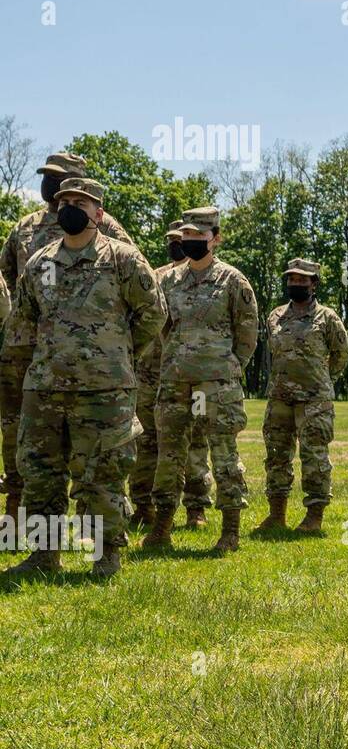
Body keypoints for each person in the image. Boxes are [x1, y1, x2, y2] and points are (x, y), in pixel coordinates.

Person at [4, 178, 163, 579]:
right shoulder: (40, 263)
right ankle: (44, 555)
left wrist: (119, 355)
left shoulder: (124, 259)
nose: (71, 208)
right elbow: (22, 324)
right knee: (40, 471)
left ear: (99, 213)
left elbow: (153, 314)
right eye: (65, 202)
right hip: (44, 388)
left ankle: (105, 554)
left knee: (103, 473)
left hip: (105, 389)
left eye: (81, 202)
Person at [0, 153, 134, 520]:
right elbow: (8, 281)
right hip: (27, 356)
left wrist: (113, 345)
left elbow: (140, 294)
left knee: (95, 449)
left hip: (91, 365)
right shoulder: (25, 228)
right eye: (46, 176)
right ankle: (15, 515)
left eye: (58, 177)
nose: (49, 183)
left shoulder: (106, 230)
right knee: (20, 438)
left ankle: (102, 534)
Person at [144, 208, 258, 554]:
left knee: (223, 452)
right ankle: (161, 527)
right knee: (170, 454)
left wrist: (227, 365)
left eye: (200, 237)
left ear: (216, 238)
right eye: (187, 237)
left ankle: (230, 530)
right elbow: (161, 326)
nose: (192, 242)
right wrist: (177, 357)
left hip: (216, 383)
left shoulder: (233, 281)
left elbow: (247, 333)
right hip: (175, 381)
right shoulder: (168, 281)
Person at [253, 259, 348, 533]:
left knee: (315, 458)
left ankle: (314, 517)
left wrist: (322, 379)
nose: (295, 284)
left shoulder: (327, 318)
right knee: (276, 456)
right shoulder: (275, 316)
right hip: (280, 398)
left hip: (315, 400)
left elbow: (341, 354)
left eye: (302, 280)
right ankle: (277, 514)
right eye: (291, 279)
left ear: (314, 284)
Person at [130, 222, 213, 532]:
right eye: (172, 241)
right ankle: (143, 505)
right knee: (148, 440)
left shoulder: (206, 279)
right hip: (151, 373)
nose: (176, 245)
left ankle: (196, 507)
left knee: (195, 440)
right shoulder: (156, 277)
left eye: (181, 240)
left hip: (188, 374)